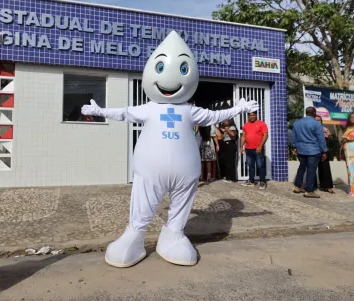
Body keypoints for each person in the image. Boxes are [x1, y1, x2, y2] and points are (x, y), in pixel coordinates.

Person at [80, 31, 258, 268]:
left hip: (186, 174)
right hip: (150, 172)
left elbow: (215, 115)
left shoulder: (191, 110)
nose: (171, 80)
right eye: (160, 67)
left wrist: (238, 108)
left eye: (184, 70)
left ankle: (173, 233)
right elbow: (124, 112)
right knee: (143, 202)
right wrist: (100, 111)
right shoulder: (150, 108)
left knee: (182, 205)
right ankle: (135, 235)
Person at [291, 107, 328, 198]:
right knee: (311, 170)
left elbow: (294, 136)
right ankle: (309, 190)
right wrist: (324, 151)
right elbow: (321, 138)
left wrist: (294, 147)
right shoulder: (317, 124)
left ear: (306, 112)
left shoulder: (297, 123)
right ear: (314, 113)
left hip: (301, 149)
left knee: (302, 167)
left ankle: (297, 186)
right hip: (313, 150)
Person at [240, 111, 269, 189]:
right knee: (250, 165)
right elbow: (243, 136)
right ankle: (251, 181)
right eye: (250, 115)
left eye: (253, 115)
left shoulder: (261, 124)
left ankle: (262, 182)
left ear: (256, 115)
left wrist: (260, 146)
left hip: (258, 149)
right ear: (248, 116)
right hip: (248, 149)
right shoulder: (246, 125)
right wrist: (241, 146)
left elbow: (265, 135)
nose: (252, 116)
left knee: (260, 165)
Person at [314, 115, 334, 193]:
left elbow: (328, 140)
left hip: (324, 151)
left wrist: (324, 151)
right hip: (313, 150)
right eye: (316, 120)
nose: (318, 121)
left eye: (319, 120)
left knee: (325, 169)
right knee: (312, 169)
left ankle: (327, 186)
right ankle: (312, 186)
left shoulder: (325, 129)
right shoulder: (310, 129)